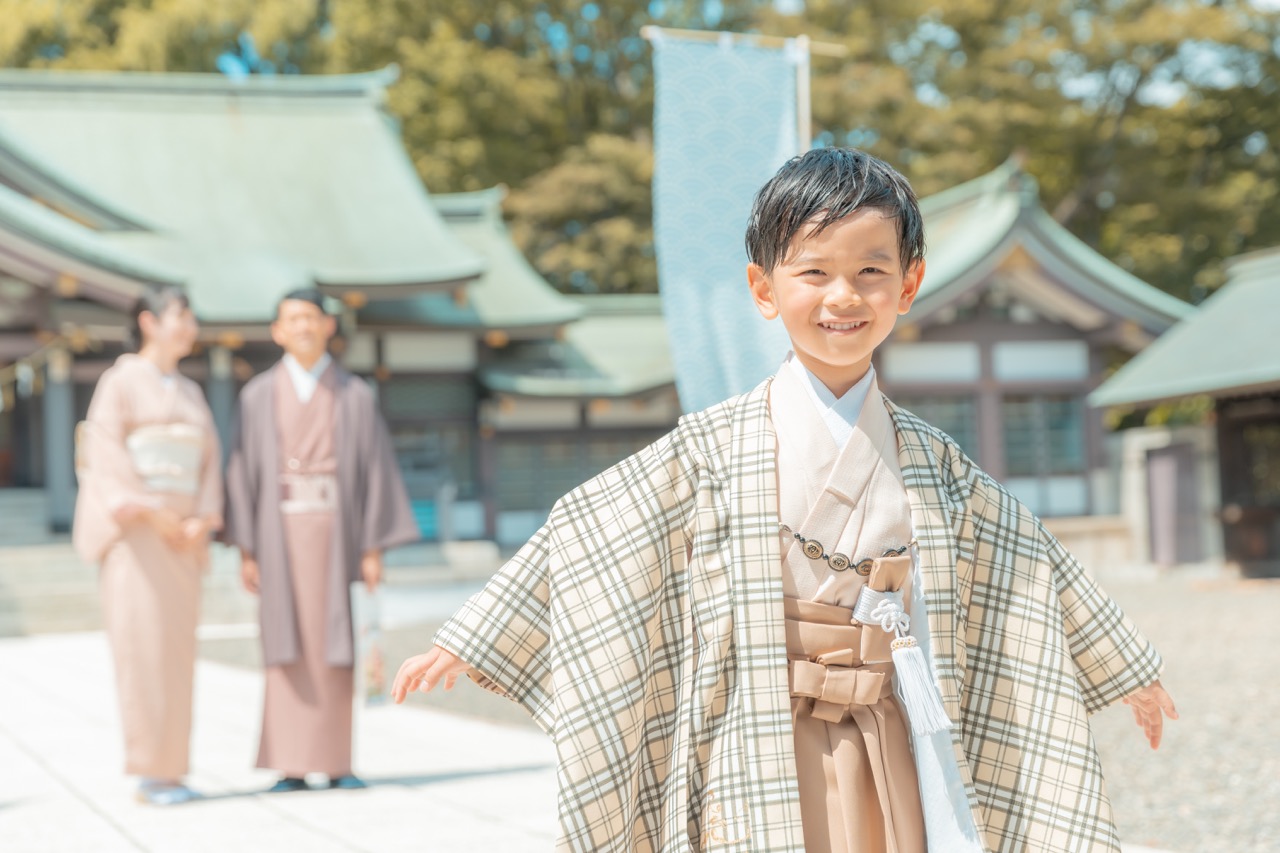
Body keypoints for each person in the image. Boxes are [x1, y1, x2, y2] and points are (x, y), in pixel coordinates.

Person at [392, 149, 1177, 852]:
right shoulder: (708, 447)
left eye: (872, 271)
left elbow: (1028, 559)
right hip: (756, 724)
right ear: (764, 290)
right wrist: (475, 636)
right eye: (813, 272)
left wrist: (1125, 667)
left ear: (909, 285)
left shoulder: (938, 462)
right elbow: (591, 528)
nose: (844, 295)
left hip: (894, 722)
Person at [222, 288, 417, 792]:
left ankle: (336, 762)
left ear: (329, 326)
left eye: (312, 317)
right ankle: (289, 764)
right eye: (293, 319)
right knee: (285, 643)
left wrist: (372, 548)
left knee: (336, 644)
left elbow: (375, 469)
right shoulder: (257, 395)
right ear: (278, 331)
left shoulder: (354, 394)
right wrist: (247, 549)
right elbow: (242, 472)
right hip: (277, 532)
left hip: (339, 534)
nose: (304, 327)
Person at [73, 287, 223, 806]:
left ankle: (174, 768)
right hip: (137, 534)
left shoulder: (190, 391)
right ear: (148, 322)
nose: (190, 325)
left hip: (182, 535)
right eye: (181, 315)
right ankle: (150, 773)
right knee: (142, 649)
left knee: (178, 653)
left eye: (191, 315)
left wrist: (203, 518)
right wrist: (149, 510)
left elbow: (209, 462)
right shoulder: (119, 382)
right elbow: (104, 455)